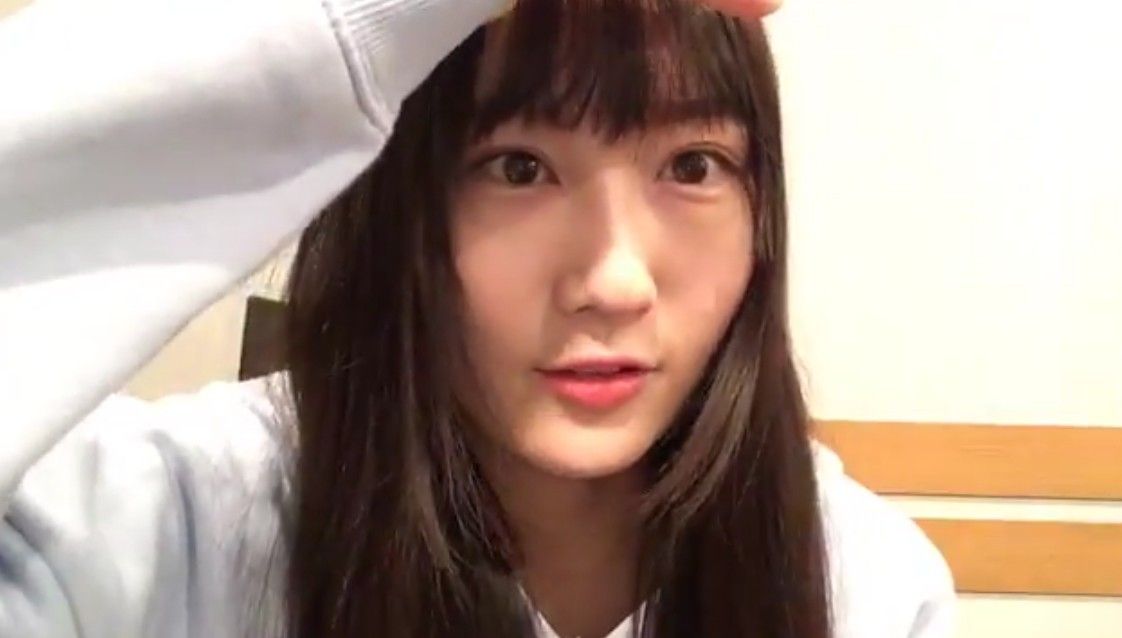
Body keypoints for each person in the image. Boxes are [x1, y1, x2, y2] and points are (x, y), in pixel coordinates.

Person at [0, 0, 953, 636]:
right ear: (395, 206)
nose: (614, 282)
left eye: (692, 167)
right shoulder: (163, 527)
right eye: (518, 168)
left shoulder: (864, 589)